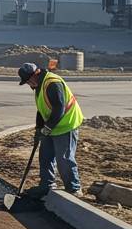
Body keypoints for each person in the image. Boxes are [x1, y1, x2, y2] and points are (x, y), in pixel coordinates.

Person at [19, 62, 84, 195]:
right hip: (52, 125)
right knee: (45, 156)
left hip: (66, 124)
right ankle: (47, 185)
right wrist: (39, 129)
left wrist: (47, 128)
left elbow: (59, 108)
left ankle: (74, 188)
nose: (28, 84)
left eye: (28, 81)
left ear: (36, 74)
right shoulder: (39, 85)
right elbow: (42, 109)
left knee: (64, 158)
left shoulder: (52, 83)